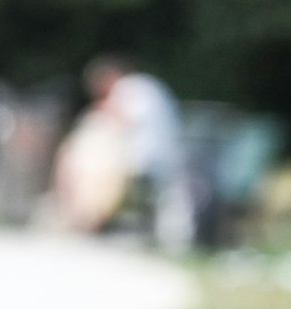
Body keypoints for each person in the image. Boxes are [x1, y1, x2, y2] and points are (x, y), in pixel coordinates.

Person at [51, 55, 195, 252]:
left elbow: (124, 120)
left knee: (90, 164)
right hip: (159, 156)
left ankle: (87, 217)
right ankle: (87, 216)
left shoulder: (130, 87)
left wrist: (99, 113)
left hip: (147, 158)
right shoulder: (146, 86)